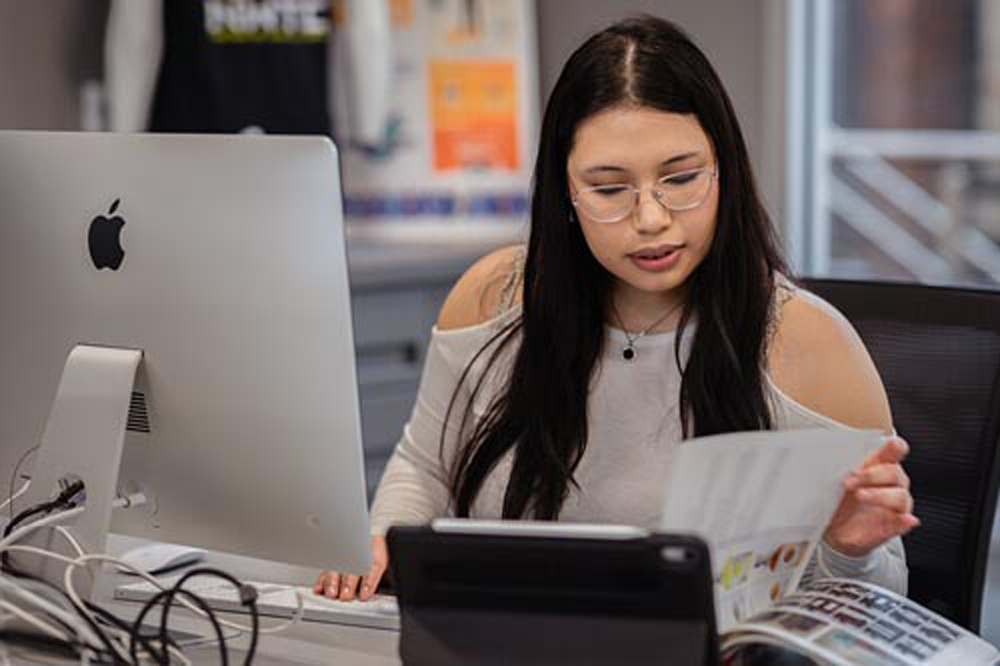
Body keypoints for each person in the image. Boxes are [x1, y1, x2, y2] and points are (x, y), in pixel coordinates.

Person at [314, 15, 918, 602]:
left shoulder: (806, 343)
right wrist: (382, 534)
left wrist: (851, 548)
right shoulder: (492, 297)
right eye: (608, 189)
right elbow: (424, 465)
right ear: (566, 195)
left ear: (725, 172)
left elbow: (878, 604)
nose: (651, 219)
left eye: (681, 179)